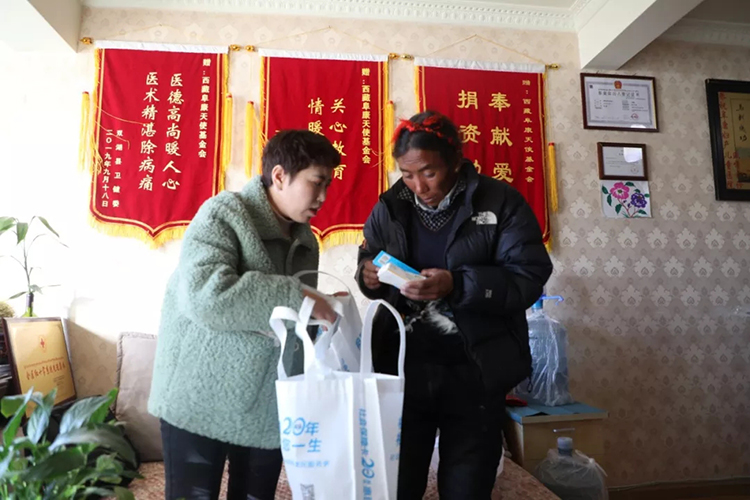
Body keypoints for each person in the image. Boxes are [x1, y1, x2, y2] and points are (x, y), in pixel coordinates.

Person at [356, 111, 553, 499]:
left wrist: (457, 284)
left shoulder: (500, 202)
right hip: (403, 370)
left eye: (429, 172)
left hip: (475, 369)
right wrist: (368, 276)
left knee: (467, 484)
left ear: (456, 161)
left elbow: (529, 275)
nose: (419, 186)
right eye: (407, 174)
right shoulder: (390, 206)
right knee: (398, 483)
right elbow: (369, 256)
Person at [149, 130, 341, 500]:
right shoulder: (223, 213)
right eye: (316, 182)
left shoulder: (305, 240)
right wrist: (298, 295)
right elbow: (206, 296)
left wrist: (323, 308)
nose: (322, 197)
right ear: (280, 176)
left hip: (266, 407)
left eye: (328, 185)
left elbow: (289, 322)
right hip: (199, 398)